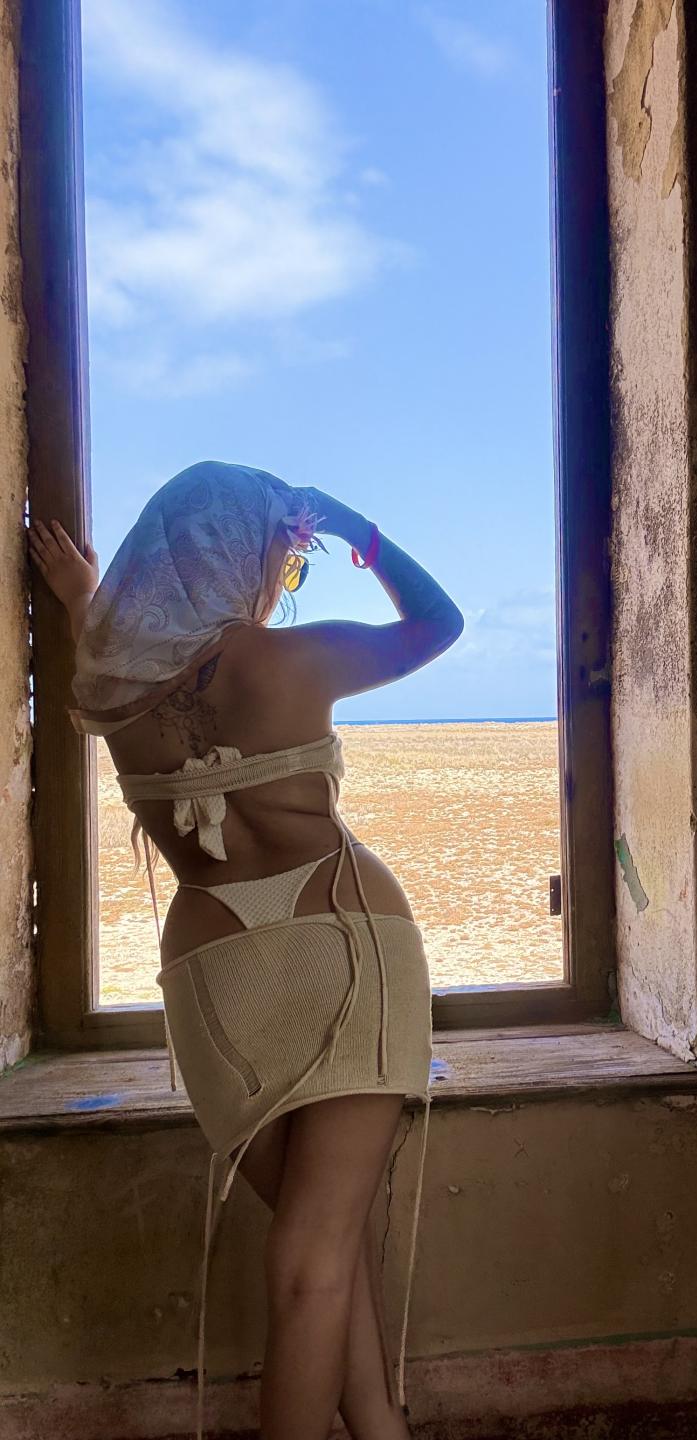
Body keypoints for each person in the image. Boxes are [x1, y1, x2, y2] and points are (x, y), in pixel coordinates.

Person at [28, 459, 464, 1440]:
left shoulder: (109, 681)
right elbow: (440, 623)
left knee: (320, 1243)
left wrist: (83, 593)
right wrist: (359, 531)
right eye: (280, 559)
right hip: (346, 941)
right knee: (316, 1254)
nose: (279, 581)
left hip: (216, 971)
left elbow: (111, 633)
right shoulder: (286, 660)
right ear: (236, 557)